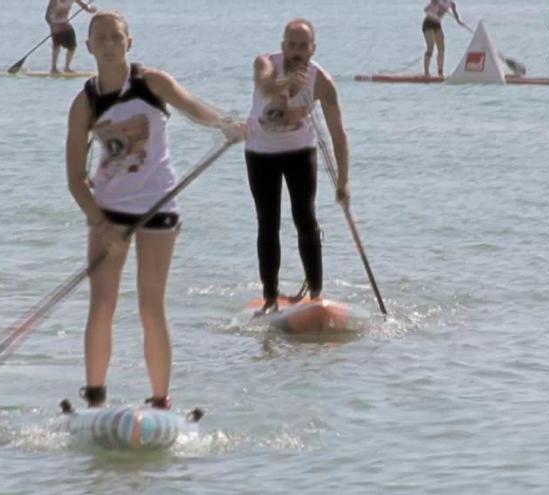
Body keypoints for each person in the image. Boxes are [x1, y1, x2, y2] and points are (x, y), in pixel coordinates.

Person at [66, 11, 243, 409]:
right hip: (108, 212)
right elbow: (75, 178)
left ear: (129, 42)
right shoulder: (85, 103)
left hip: (159, 206)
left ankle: (160, 399)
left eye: (117, 37)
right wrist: (101, 224)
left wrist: (228, 126)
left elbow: (194, 107)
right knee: (103, 304)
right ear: (90, 47)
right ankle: (95, 398)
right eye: (101, 38)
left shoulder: (151, 83)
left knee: (151, 304)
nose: (109, 44)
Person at [245, 18, 350, 315]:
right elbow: (265, 85)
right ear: (283, 46)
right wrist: (285, 83)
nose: (296, 51)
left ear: (312, 49)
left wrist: (343, 182)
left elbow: (338, 133)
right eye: (291, 45)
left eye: (303, 46)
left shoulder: (322, 82)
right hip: (260, 152)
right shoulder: (265, 62)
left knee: (305, 217)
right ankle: (269, 298)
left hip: (299, 151)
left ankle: (316, 295)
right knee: (268, 222)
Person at [46, 0, 97, 74]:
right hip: (55, 24)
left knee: (72, 46)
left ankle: (67, 68)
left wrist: (90, 9)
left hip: (65, 23)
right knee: (56, 46)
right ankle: (54, 68)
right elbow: (47, 16)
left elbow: (84, 6)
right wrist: (52, 26)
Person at [422, 0, 465, 78]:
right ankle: (426, 72)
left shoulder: (451, 3)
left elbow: (455, 13)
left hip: (437, 24)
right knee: (430, 48)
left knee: (441, 49)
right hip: (428, 23)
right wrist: (434, 4)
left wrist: (459, 21)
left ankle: (440, 72)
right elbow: (425, 10)